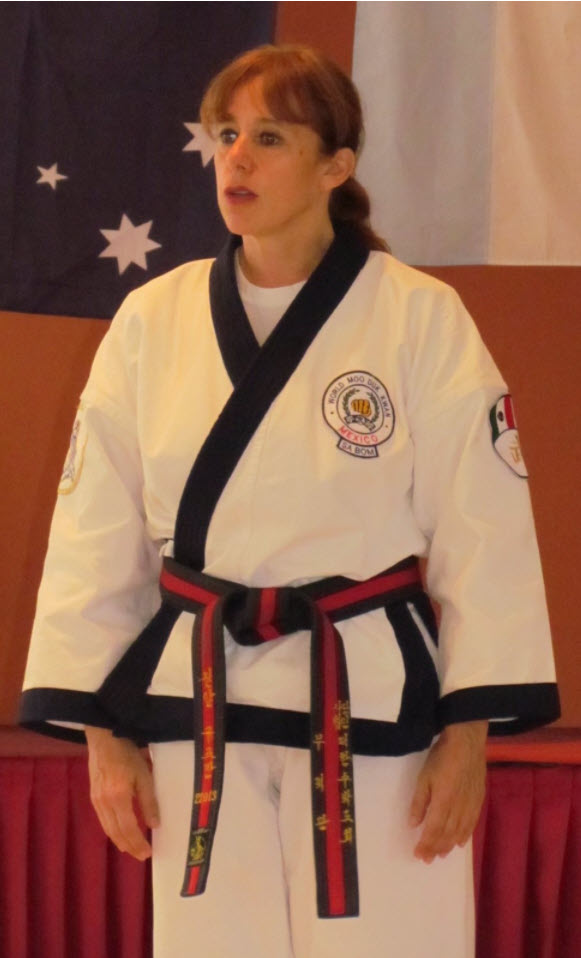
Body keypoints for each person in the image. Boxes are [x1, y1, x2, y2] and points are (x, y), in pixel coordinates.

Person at [21, 44, 559, 958]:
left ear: (334, 166)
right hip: (197, 705)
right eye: (227, 134)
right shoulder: (151, 320)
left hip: (370, 699)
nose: (235, 158)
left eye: (268, 138)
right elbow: (93, 532)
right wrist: (103, 732)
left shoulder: (417, 316)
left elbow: (484, 529)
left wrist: (467, 733)